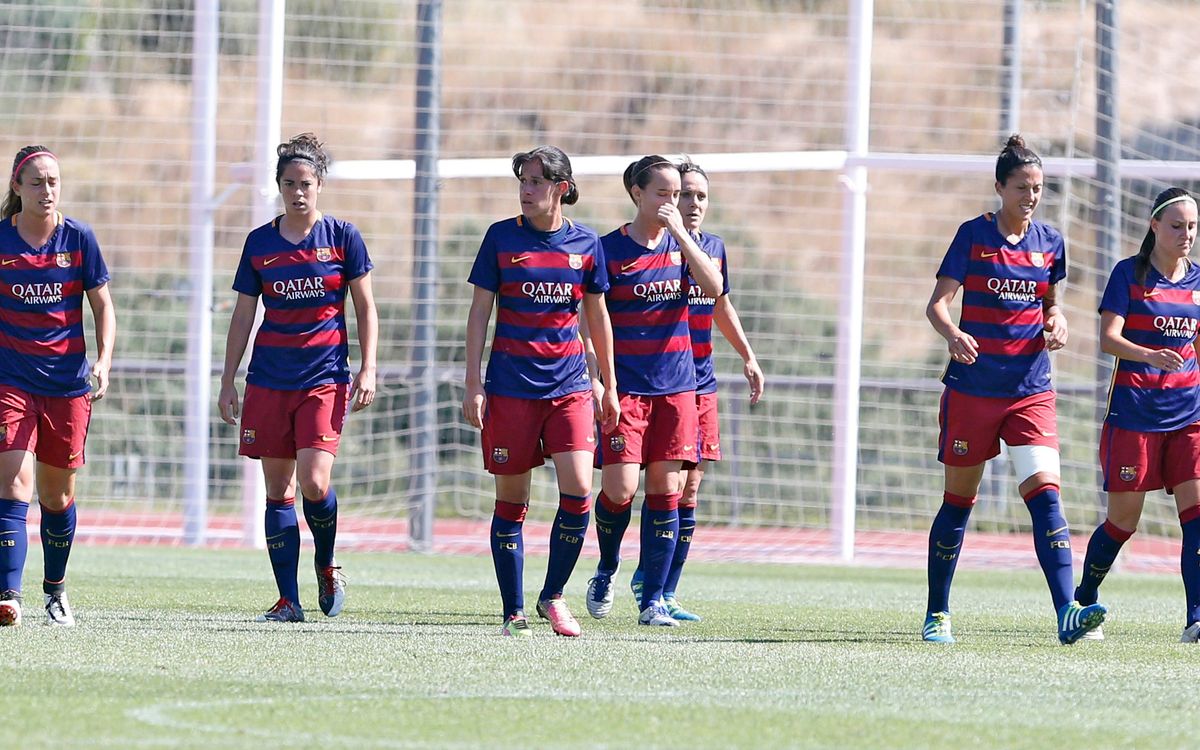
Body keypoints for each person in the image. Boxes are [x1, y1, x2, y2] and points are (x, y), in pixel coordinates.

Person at [922, 134, 1105, 644]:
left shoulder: (1050, 242)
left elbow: (1049, 303)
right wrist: (954, 333)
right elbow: (937, 304)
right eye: (1022, 186)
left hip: (1030, 390)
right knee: (959, 502)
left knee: (1046, 498)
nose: (1031, 195)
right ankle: (938, 612)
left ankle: (1068, 611)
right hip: (974, 390)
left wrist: (1058, 320)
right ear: (1000, 186)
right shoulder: (972, 236)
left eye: (1039, 187)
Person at [218, 133, 377, 623]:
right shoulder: (260, 242)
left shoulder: (343, 237)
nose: (298, 192)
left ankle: (326, 564)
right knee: (277, 488)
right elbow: (244, 314)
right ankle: (289, 598)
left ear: (320, 184)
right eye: (289, 184)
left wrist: (369, 365)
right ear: (279, 186)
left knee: (313, 480)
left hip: (325, 376)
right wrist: (229, 379)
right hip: (269, 379)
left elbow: (365, 306)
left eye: (306, 183)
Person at [464, 146, 619, 637]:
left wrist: (609, 385)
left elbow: (597, 317)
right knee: (512, 501)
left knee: (578, 491)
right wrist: (473, 382)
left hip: (569, 385)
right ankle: (513, 611)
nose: (525, 190)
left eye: (536, 182)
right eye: (523, 181)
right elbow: (478, 314)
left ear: (561, 189)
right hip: (510, 389)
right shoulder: (500, 238)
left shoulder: (586, 244)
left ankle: (552, 596)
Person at [586, 155, 723, 627]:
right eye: (663, 193)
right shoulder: (606, 250)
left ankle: (653, 602)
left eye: (678, 194)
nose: (673, 202)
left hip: (678, 386)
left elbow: (715, 286)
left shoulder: (687, 248)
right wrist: (600, 378)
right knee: (620, 490)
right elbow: (590, 321)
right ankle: (606, 567)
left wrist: (681, 237)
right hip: (627, 390)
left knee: (668, 491)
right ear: (637, 195)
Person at [627, 159, 764, 621]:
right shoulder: (652, 248)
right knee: (662, 483)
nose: (692, 204)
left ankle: (665, 590)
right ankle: (644, 578)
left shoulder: (712, 248)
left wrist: (747, 355)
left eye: (701, 196)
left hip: (701, 381)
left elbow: (721, 304)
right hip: (658, 381)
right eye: (685, 194)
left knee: (691, 489)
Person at [1074, 187, 1200, 643]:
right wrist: (1150, 355)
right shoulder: (1129, 274)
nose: (1186, 234)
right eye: (1177, 226)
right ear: (1154, 226)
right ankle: (1083, 599)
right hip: (1134, 416)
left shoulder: (1199, 280)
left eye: (1192, 227)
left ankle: (1196, 620)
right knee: (1122, 523)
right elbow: (1108, 338)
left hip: (1189, 418)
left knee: (1198, 518)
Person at [0, 145, 116, 627]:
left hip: (68, 385)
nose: (47, 191)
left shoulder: (79, 239)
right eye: (37, 183)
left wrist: (104, 361)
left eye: (53, 182)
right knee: (13, 484)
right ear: (16, 188)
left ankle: (55, 591)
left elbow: (103, 306)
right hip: (11, 381)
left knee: (57, 497)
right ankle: (9, 596)